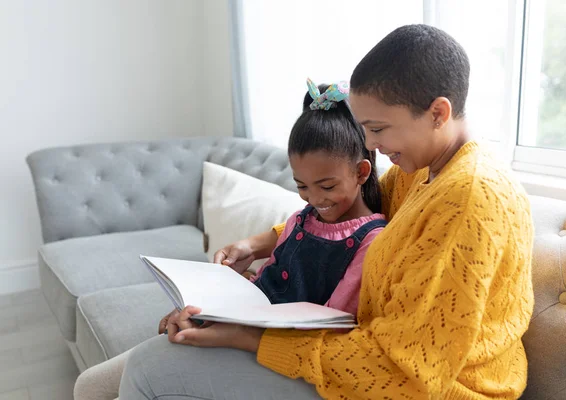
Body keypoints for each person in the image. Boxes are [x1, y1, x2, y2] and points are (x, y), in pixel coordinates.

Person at [119, 24, 534, 400]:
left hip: (435, 389)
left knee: (149, 369)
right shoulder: (422, 171)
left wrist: (249, 338)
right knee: (154, 357)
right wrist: (260, 244)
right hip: (358, 353)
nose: (370, 142)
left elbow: (408, 373)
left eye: (378, 128)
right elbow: (344, 217)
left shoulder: (468, 199)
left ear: (437, 113)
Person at [73, 79, 387, 400]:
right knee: (90, 386)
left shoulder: (371, 242)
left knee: (144, 370)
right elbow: (270, 275)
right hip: (243, 326)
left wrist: (237, 329)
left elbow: (335, 328)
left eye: (327, 186)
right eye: (302, 186)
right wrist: (209, 308)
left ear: (362, 173)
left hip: (277, 354)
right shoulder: (302, 218)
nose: (314, 198)